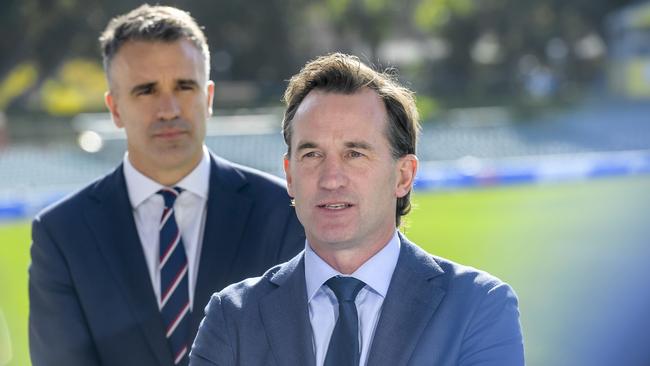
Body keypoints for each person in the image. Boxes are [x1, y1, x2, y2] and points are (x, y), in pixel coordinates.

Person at [190, 53, 525, 366]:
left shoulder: (477, 307)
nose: (331, 179)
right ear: (290, 176)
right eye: (312, 155)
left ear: (403, 175)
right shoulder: (232, 316)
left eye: (355, 154)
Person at [28, 5, 304, 366]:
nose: (169, 108)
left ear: (208, 97)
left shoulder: (284, 213)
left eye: (184, 86)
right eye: (146, 90)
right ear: (114, 108)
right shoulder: (61, 235)